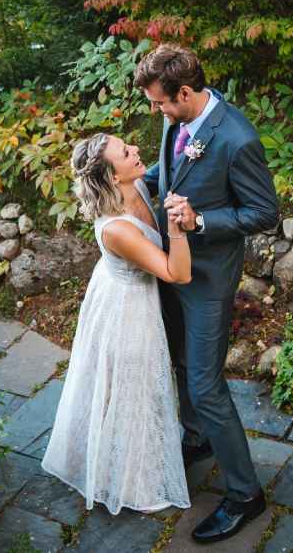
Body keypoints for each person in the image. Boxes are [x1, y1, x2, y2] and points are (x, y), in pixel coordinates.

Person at [136, 43, 279, 543]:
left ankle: (245, 494)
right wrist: (123, 188)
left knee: (205, 385)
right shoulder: (178, 120)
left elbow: (264, 213)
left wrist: (201, 221)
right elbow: (169, 173)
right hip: (169, 267)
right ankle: (196, 440)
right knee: (178, 361)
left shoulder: (237, 140)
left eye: (160, 103)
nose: (156, 112)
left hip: (208, 280)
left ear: (187, 92)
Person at [41, 132, 193, 515]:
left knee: (134, 385)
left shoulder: (136, 183)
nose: (136, 150)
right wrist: (176, 226)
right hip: (127, 309)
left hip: (126, 289)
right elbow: (177, 272)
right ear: (112, 177)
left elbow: (164, 168)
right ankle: (133, 484)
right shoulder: (117, 229)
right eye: (126, 152)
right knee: (133, 387)